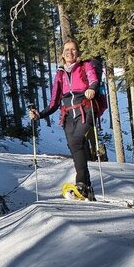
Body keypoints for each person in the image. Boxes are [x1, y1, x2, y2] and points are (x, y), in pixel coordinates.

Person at [30, 39, 99, 201]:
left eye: (73, 49)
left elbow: (94, 79)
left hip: (86, 110)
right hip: (68, 116)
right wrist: (40, 114)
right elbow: (54, 102)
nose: (70, 52)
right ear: (62, 54)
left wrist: (91, 89)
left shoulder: (85, 66)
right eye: (67, 50)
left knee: (76, 141)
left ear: (78, 52)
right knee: (76, 147)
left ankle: (80, 184)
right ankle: (87, 189)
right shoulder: (60, 74)